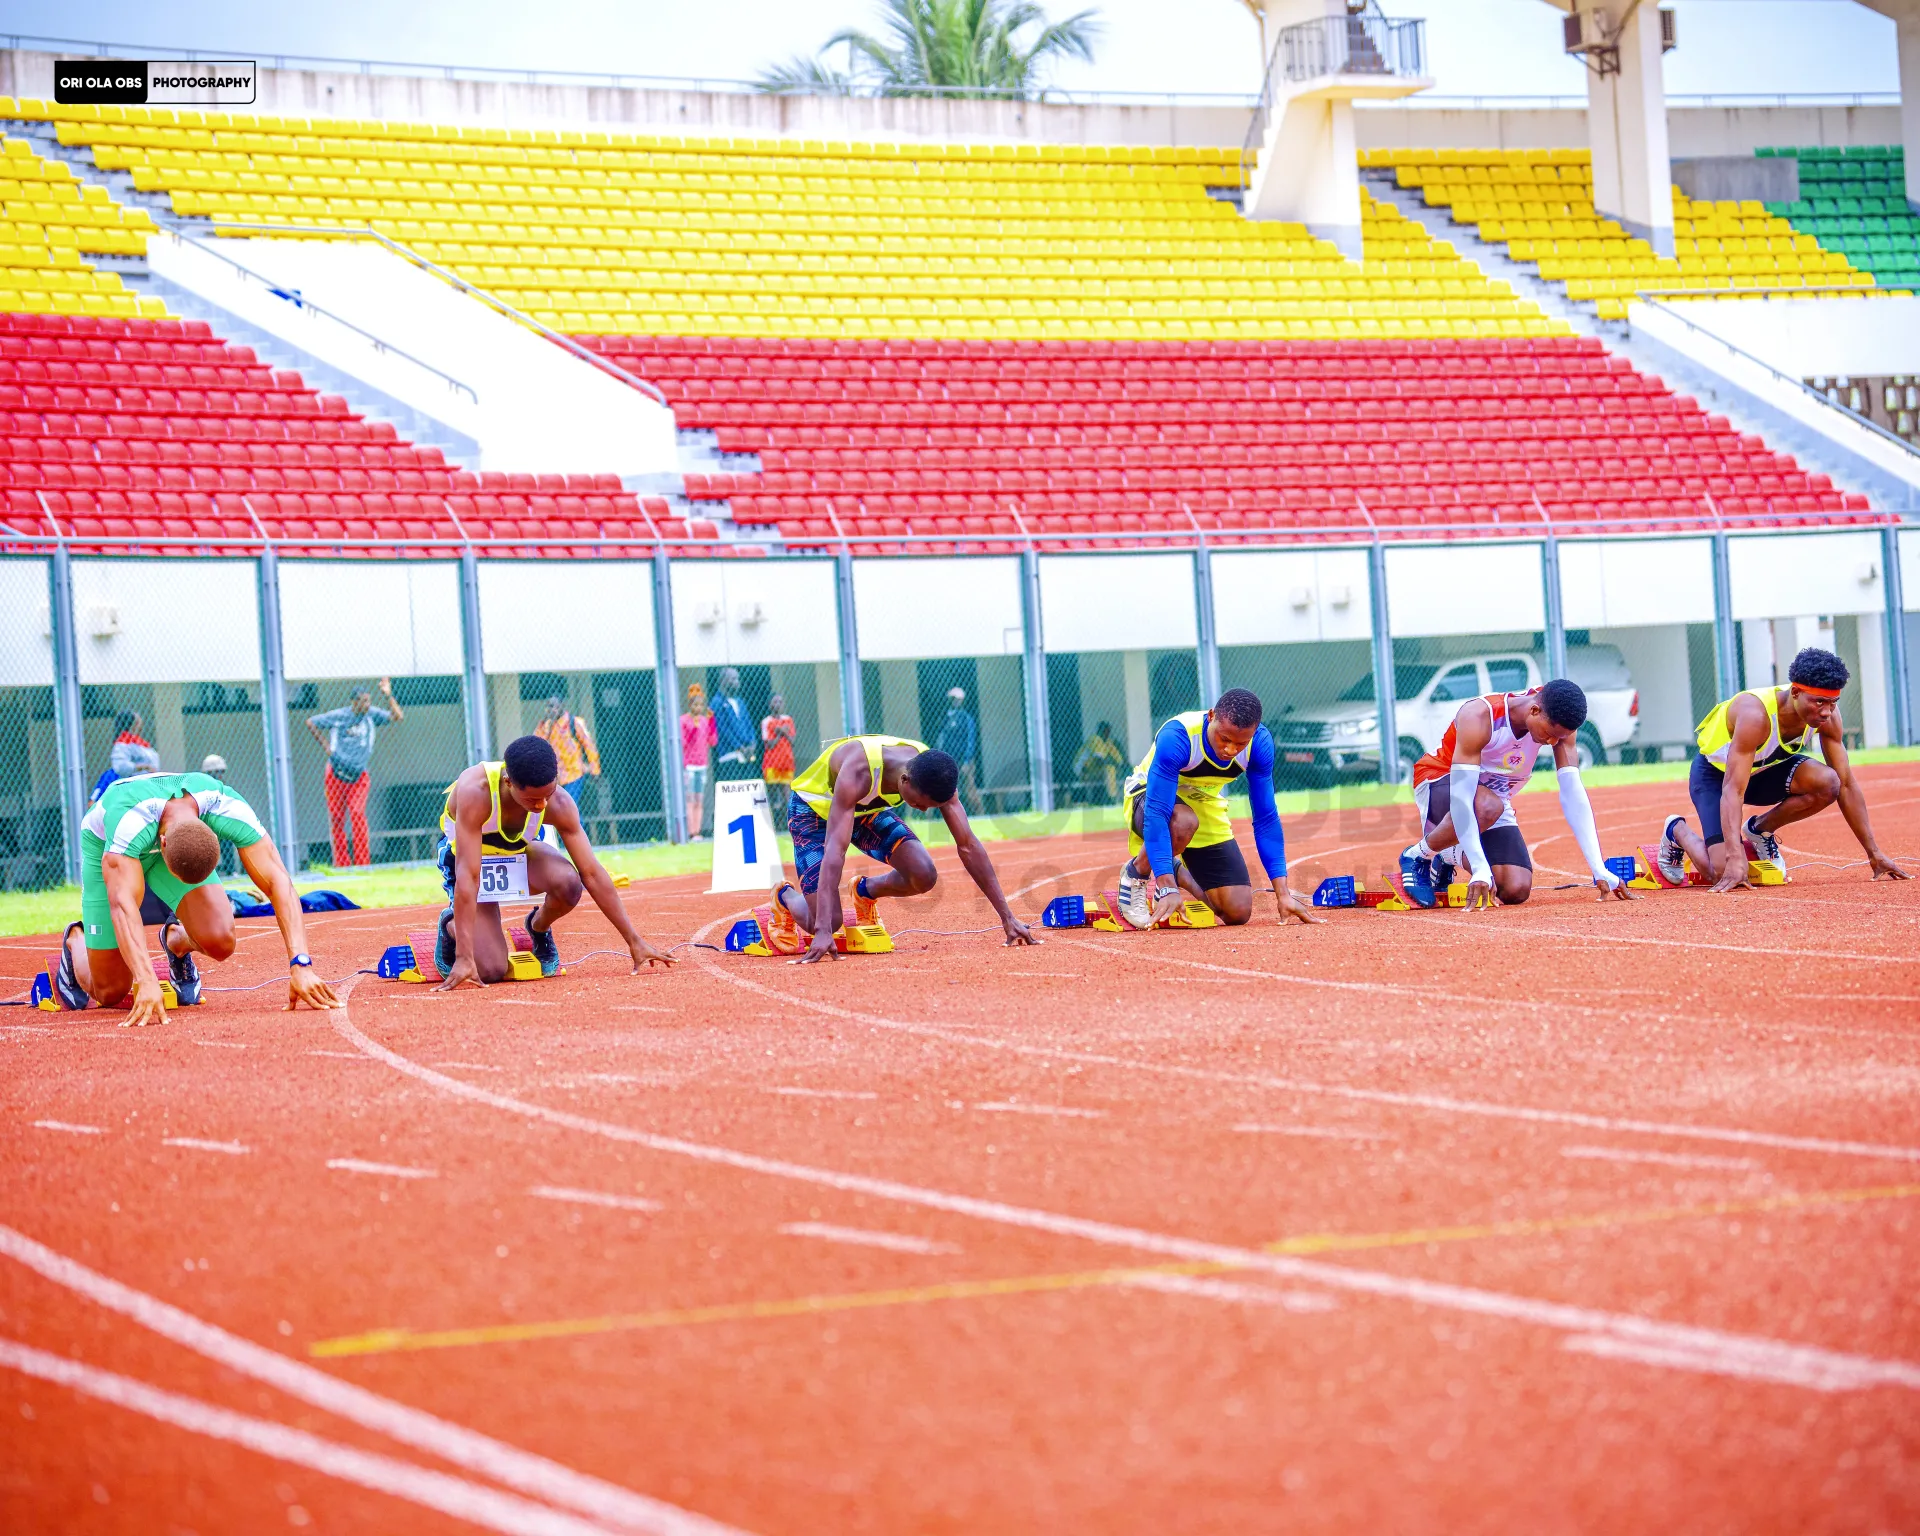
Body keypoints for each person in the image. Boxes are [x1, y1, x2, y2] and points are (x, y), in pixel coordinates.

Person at [53, 769, 340, 1026]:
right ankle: (75, 940)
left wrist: (301, 964)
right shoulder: (129, 822)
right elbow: (123, 905)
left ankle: (176, 940)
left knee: (220, 941)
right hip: (109, 848)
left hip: (170, 840)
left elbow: (278, 880)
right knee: (110, 991)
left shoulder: (225, 805)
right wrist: (146, 979)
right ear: (163, 844)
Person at [1653, 646, 1908, 892]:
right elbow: (1732, 790)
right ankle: (1676, 831)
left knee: (1829, 782)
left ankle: (1759, 830)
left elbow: (1847, 784)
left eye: (1833, 702)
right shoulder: (1755, 714)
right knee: (1721, 871)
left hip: (1762, 771)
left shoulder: (1828, 716)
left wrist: (1874, 853)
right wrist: (1734, 857)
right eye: (1819, 702)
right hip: (1717, 779)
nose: (1826, 712)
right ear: (1795, 692)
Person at [767, 735, 1036, 963]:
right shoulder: (858, 771)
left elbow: (968, 845)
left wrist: (1007, 917)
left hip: (865, 810)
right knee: (827, 919)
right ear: (905, 780)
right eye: (919, 804)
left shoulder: (933, 772)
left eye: (930, 807)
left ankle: (864, 890)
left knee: (923, 874)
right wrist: (823, 929)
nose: (923, 810)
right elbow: (835, 851)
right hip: (813, 812)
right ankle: (785, 896)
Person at [434, 734, 675, 989]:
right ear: (508, 783)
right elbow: (469, 875)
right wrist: (464, 957)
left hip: (517, 853)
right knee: (491, 969)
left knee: (569, 882)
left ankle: (537, 927)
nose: (541, 805)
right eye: (532, 800)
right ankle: (450, 925)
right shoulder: (476, 792)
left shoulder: (558, 802)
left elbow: (591, 873)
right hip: (470, 862)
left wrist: (634, 940)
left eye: (547, 795)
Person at [1400, 677, 1636, 911]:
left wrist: (1598, 868)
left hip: (1492, 798)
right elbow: (1462, 798)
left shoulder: (1560, 718)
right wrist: (1480, 867)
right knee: (1487, 807)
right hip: (1441, 780)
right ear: (1534, 711)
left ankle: (1446, 856)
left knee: (1515, 888)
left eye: (1560, 738)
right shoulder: (1480, 716)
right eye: (1550, 734)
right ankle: (1418, 855)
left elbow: (1572, 791)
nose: (1553, 742)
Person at [1116, 688, 1321, 930]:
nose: (1231, 750)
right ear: (1212, 716)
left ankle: (1175, 870)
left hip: (1203, 803)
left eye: (1241, 743)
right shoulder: (1178, 736)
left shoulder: (1260, 744)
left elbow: (1266, 819)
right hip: (1149, 796)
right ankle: (1137, 873)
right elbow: (1157, 812)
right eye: (1224, 739)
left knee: (1236, 911)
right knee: (1183, 821)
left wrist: (1283, 894)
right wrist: (1166, 886)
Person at [306, 679, 403, 868]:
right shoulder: (340, 716)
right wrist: (327, 747)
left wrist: (388, 695)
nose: (367, 705)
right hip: (336, 773)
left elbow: (397, 716)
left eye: (369, 701)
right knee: (336, 818)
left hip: (359, 775)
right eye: (364, 701)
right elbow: (311, 722)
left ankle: (362, 863)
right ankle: (342, 863)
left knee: (357, 814)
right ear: (354, 702)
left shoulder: (371, 715)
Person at [536, 693, 604, 841]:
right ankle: (570, 839)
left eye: (554, 706)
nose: (551, 710)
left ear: (561, 706)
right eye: (548, 707)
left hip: (574, 773)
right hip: (554, 776)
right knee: (556, 808)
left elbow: (588, 744)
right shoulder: (546, 725)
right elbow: (537, 744)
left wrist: (594, 769)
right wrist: (546, 726)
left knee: (569, 806)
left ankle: (581, 840)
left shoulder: (574, 723)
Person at [89, 710, 161, 804]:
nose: (140, 725)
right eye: (137, 722)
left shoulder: (142, 745)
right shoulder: (112, 775)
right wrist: (144, 767)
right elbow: (92, 803)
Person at [934, 687, 983, 813]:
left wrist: (966, 761)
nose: (954, 701)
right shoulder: (945, 718)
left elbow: (970, 740)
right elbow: (941, 738)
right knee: (950, 789)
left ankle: (980, 813)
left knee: (969, 789)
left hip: (963, 760)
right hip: (950, 760)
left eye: (957, 699)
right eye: (952, 698)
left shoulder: (966, 718)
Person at [679, 682, 716, 840]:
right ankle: (690, 831)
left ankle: (697, 831)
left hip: (702, 764)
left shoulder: (704, 721)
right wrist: (693, 729)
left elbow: (712, 741)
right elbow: (683, 743)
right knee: (690, 798)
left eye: (701, 705)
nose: (698, 708)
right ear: (690, 705)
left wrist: (712, 722)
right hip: (689, 765)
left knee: (699, 798)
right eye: (695, 705)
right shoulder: (683, 720)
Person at [761, 693, 797, 826]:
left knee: (786, 794)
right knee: (771, 794)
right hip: (772, 763)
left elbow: (792, 741)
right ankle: (771, 823)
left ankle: (790, 823)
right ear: (770, 704)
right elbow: (769, 744)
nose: (778, 704)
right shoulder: (766, 722)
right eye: (775, 702)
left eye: (780, 702)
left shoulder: (788, 720)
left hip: (786, 762)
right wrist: (781, 733)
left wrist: (781, 732)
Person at [1072, 721, 1126, 805]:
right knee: (1109, 769)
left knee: (1113, 768)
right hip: (1081, 770)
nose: (1107, 733)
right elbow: (1100, 760)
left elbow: (1119, 760)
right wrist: (1114, 763)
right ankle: (1111, 797)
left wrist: (1120, 765)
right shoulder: (1095, 739)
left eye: (1108, 731)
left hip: (1093, 768)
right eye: (1105, 731)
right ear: (1099, 731)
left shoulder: (1107, 742)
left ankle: (1112, 797)